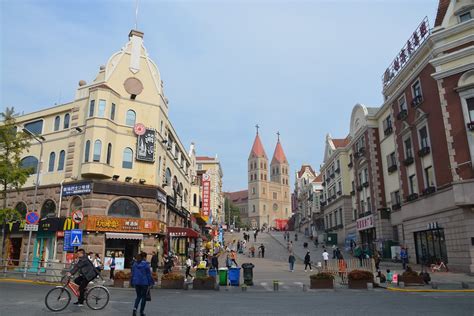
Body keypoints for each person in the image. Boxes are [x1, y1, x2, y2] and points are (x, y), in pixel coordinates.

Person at [131, 252, 154, 316]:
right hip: (144, 283)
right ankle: (141, 312)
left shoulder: (135, 264)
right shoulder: (146, 265)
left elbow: (132, 274)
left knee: (138, 296)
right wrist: (151, 283)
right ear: (144, 257)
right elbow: (148, 275)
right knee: (143, 297)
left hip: (137, 282)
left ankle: (134, 309)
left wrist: (132, 281)